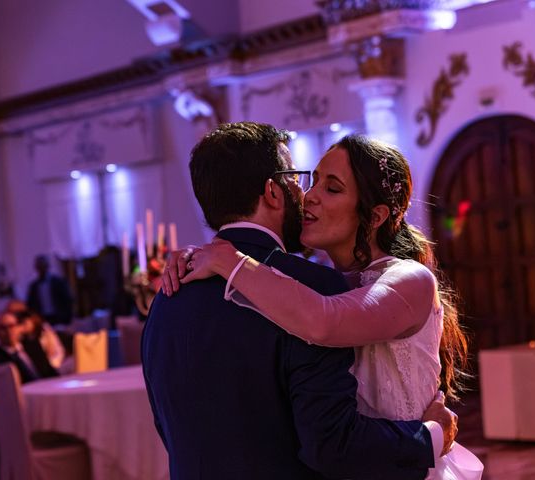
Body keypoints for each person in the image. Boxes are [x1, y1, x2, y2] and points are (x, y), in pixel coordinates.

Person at [142, 122, 456, 480]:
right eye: (304, 180)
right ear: (273, 193)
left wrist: (228, 260)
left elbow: (325, 321)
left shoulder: (170, 294)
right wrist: (427, 437)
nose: (308, 195)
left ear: (375, 215)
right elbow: (330, 444)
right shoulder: (312, 282)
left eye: (331, 187)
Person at [0, 311, 58, 384]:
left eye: (12, 326)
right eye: (3, 328)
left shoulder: (33, 346)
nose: (9, 331)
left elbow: (50, 371)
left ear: (19, 327)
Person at [26, 254, 73, 325]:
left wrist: (67, 316)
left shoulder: (58, 282)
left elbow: (68, 299)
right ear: (36, 268)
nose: (42, 268)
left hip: (59, 317)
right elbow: (31, 304)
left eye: (43, 265)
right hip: (42, 318)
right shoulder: (34, 286)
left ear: (47, 266)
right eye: (39, 266)